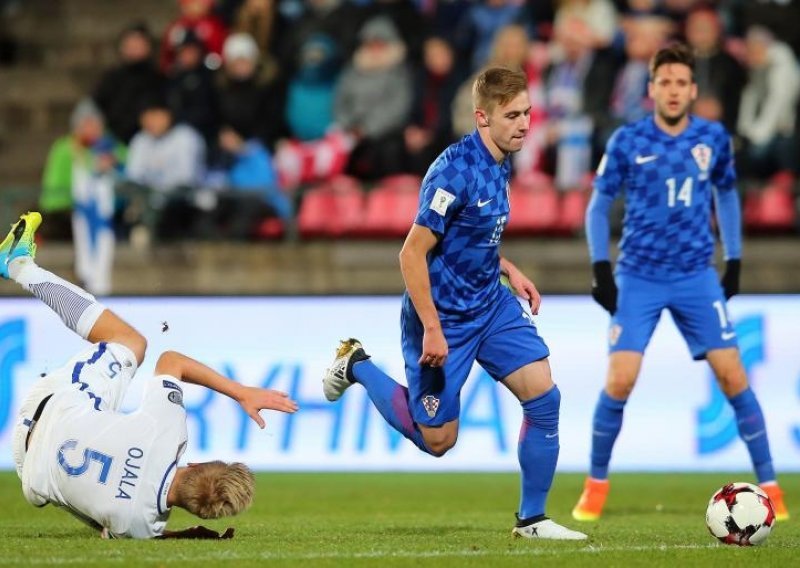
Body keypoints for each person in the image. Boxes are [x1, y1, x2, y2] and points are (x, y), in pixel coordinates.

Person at [322, 66, 587, 541]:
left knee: (544, 398)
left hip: (490, 304)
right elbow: (412, 252)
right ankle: (356, 364)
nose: (524, 124)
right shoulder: (452, 173)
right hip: (442, 318)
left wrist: (508, 268)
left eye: (527, 112)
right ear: (482, 118)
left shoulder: (502, 159)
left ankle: (532, 519)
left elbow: (472, 233)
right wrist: (431, 327)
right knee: (439, 440)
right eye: (512, 116)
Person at [573, 43, 789, 522]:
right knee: (620, 379)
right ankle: (595, 485)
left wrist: (733, 261)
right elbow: (596, 207)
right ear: (651, 90)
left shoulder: (713, 138)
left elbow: (727, 196)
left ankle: (771, 487)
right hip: (639, 276)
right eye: (664, 82)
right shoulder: (627, 141)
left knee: (733, 375)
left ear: (693, 90)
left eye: (680, 83)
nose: (672, 91)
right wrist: (600, 268)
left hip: (695, 275)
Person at [3, 212, 298, 538]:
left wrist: (241, 392)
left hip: (50, 404)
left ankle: (18, 264)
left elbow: (172, 361)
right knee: (103, 505)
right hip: (28, 468)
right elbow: (132, 532)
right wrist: (183, 535)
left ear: (197, 466)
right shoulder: (141, 527)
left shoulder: (167, 433)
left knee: (131, 343)